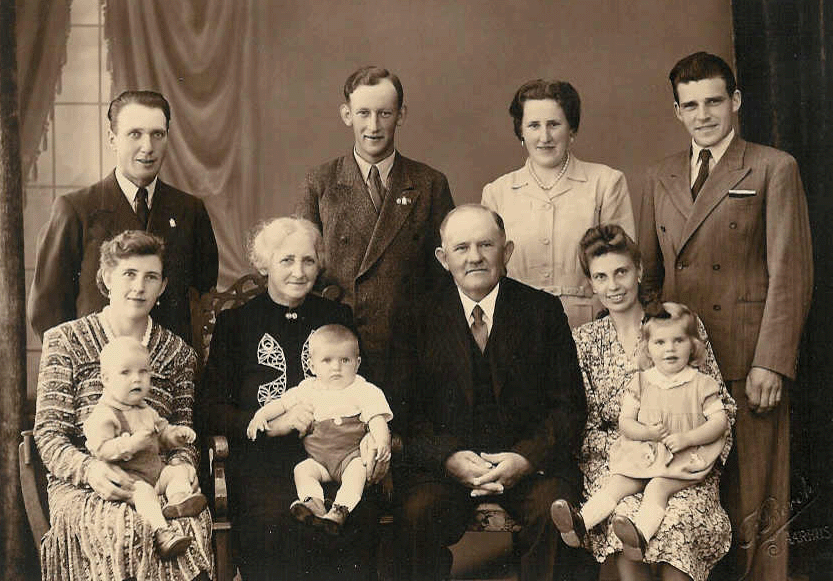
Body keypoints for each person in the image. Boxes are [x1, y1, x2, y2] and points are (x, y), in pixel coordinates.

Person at [638, 51, 813, 580]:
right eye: (690, 105)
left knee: (755, 496)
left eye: (714, 101)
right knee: (685, 497)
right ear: (676, 111)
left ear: (735, 102)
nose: (703, 114)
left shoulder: (772, 166)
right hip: (678, 364)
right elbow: (648, 277)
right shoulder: (658, 174)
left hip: (746, 357)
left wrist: (773, 362)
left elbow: (791, 272)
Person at [389, 204, 593, 581]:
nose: (475, 257)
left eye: (486, 245)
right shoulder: (415, 315)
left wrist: (525, 458)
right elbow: (405, 413)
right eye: (461, 248)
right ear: (442, 257)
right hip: (445, 468)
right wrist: (448, 457)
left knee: (555, 511)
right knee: (416, 514)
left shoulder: (542, 311)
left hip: (530, 465)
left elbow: (568, 407)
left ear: (507, 250)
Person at [201, 217, 385, 581]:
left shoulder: (336, 316)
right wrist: (271, 424)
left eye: (309, 261)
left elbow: (367, 386)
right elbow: (209, 409)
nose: (299, 272)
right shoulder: (236, 323)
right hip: (263, 464)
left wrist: (370, 434)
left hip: (336, 455)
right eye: (286, 260)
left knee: (356, 516)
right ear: (265, 262)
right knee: (274, 520)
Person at [33, 230, 212, 581]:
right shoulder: (65, 341)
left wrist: (183, 466)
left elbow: (182, 431)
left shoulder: (178, 354)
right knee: (121, 527)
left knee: (189, 522)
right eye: (129, 274)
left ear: (162, 287)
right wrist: (89, 470)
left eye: (151, 277)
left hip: (158, 477)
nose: (139, 287)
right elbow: (49, 434)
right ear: (106, 278)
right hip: (89, 483)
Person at [570, 224, 736, 581]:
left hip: (684, 466)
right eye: (601, 277)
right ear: (591, 284)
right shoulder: (584, 341)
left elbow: (723, 406)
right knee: (624, 517)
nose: (613, 286)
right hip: (618, 466)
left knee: (677, 520)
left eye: (621, 272)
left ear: (639, 271)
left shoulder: (676, 325)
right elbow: (584, 424)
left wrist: (697, 454)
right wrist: (635, 447)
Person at [297, 65, 455, 384]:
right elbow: (303, 268)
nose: (373, 126)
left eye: (384, 113)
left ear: (401, 115)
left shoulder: (429, 183)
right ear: (346, 114)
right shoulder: (319, 183)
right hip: (340, 350)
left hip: (410, 350)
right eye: (363, 113)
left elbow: (446, 273)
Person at [28, 90, 218, 345]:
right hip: (99, 372)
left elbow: (201, 299)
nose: (147, 147)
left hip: (170, 372)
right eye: (135, 134)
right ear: (112, 139)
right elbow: (47, 311)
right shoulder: (75, 210)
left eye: (157, 134)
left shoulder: (190, 211)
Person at [552, 302, 730, 563]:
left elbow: (719, 422)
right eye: (660, 343)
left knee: (657, 488)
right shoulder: (642, 381)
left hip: (683, 457)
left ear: (693, 345)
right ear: (647, 348)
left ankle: (640, 536)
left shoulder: (702, 383)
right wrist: (646, 431)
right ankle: (580, 523)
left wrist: (687, 438)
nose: (669, 349)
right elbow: (626, 422)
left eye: (678, 341)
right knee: (618, 483)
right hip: (647, 452)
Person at [481, 79, 635, 328]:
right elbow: (488, 271)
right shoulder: (497, 192)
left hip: (591, 324)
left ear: (571, 129)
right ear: (521, 131)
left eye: (554, 124)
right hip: (520, 325)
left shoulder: (605, 182)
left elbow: (622, 264)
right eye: (533, 125)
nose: (544, 137)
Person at [247, 324, 392, 535]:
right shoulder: (307, 389)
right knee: (303, 470)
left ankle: (340, 509)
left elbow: (378, 419)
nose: (336, 368)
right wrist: (260, 416)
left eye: (345, 360)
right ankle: (313, 502)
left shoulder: (364, 390)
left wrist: (382, 442)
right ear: (313, 366)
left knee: (358, 473)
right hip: (319, 460)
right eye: (327, 360)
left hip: (350, 456)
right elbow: (281, 404)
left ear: (357, 363)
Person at [83, 336, 209, 558]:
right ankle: (162, 532)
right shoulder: (104, 415)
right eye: (126, 373)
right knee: (145, 494)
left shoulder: (146, 410)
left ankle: (179, 499)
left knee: (176, 471)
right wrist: (130, 444)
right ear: (106, 379)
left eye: (143, 372)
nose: (137, 379)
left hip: (156, 473)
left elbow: (162, 435)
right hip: (130, 480)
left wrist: (175, 436)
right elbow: (99, 449)